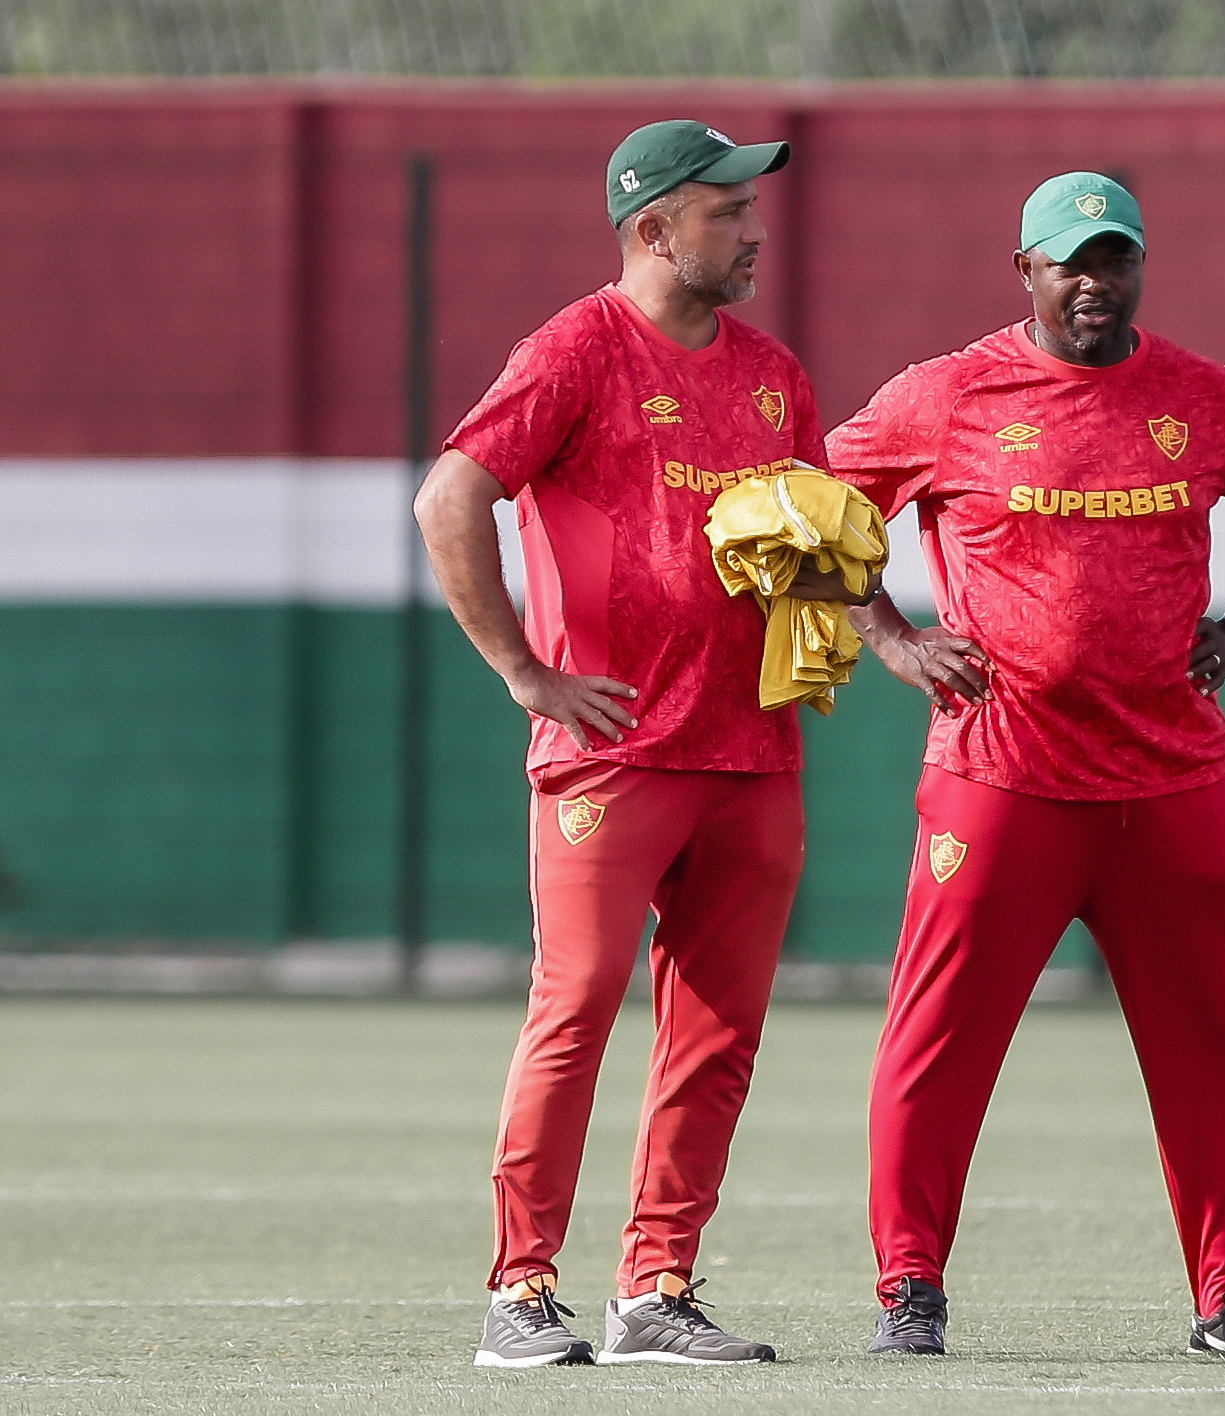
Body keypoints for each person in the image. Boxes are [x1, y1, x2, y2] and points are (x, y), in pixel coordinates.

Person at [826, 171, 1225, 1358]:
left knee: (1210, 1046)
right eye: (1071, 261)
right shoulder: (947, 396)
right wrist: (896, 641)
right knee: (937, 1041)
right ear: (1026, 273)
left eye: (1116, 259)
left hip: (1173, 778)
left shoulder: (1203, 399)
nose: (1095, 281)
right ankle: (910, 1290)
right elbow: (815, 508)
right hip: (1001, 776)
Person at [414, 119, 874, 1370]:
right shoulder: (575, 349)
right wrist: (525, 671)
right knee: (574, 1012)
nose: (753, 228)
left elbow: (814, 538)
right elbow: (451, 494)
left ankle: (655, 1289)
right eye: (727, 209)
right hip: (613, 757)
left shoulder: (776, 372)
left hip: (755, 753)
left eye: (748, 206)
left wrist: (830, 593)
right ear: (654, 226)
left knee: (718, 1031)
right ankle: (521, 1292)